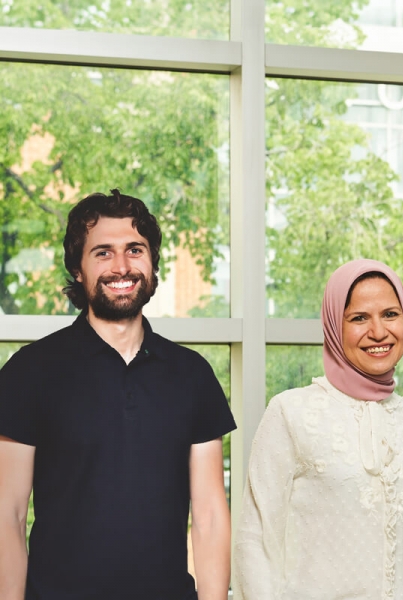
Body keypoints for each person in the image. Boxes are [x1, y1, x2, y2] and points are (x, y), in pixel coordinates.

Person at [0, 190, 236, 600]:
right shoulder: (29, 371)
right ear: (78, 267)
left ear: (152, 262)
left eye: (135, 249)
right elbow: (8, 513)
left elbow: (211, 516)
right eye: (103, 253)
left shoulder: (193, 374)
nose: (122, 266)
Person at [233, 259, 403, 600]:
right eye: (359, 318)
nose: (378, 332)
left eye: (390, 314)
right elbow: (254, 542)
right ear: (333, 326)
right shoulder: (291, 412)